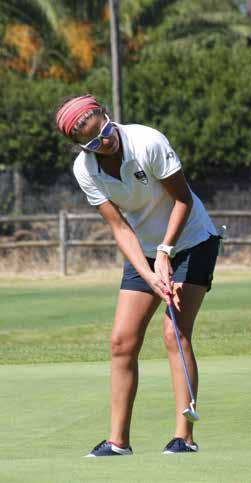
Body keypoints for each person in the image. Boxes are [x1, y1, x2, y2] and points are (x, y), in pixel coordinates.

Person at [55, 95, 220, 456]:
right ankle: (118, 442)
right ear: (83, 147)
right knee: (122, 341)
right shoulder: (86, 170)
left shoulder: (148, 141)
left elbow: (183, 200)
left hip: (192, 239)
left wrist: (165, 252)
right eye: (94, 142)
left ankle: (184, 438)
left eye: (106, 130)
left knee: (173, 330)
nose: (106, 141)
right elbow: (120, 229)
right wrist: (148, 273)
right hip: (142, 246)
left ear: (107, 117)